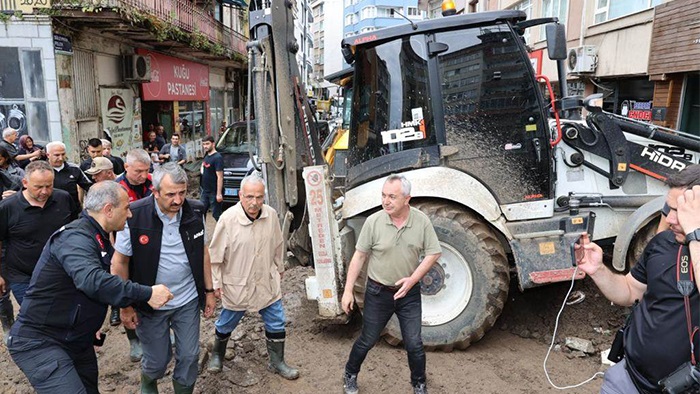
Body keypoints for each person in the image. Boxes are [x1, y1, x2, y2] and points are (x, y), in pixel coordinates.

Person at [7, 181, 174, 394]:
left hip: (77, 339)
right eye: (126, 208)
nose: (130, 215)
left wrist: (87, 321)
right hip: (42, 342)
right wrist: (147, 293)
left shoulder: (98, 237)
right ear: (108, 210)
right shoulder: (75, 238)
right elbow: (92, 280)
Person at [573, 164, 700, 393]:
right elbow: (631, 291)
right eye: (668, 208)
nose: (669, 219)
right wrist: (598, 270)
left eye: (680, 212)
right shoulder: (664, 243)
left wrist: (695, 235)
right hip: (627, 380)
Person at [111, 162, 216, 394]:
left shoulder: (196, 211)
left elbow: (203, 252)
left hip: (187, 299)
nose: (178, 201)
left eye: (182, 193)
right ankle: (148, 381)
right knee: (158, 361)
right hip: (149, 302)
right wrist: (125, 305)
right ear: (155, 191)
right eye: (170, 194)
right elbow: (120, 262)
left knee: (189, 356)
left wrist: (209, 291)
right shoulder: (134, 215)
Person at [341, 174, 441, 394]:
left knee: (414, 343)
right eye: (383, 195)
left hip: (409, 293)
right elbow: (359, 257)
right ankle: (350, 373)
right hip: (378, 293)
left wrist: (412, 279)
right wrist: (348, 291)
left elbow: (434, 252)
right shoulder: (374, 221)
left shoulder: (421, 221)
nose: (386, 201)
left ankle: (419, 384)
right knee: (368, 339)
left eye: (392, 197)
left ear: (407, 199)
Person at [207, 172, 299, 379]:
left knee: (276, 320)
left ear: (264, 196)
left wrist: (279, 267)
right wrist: (216, 283)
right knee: (227, 322)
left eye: (259, 197)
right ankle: (217, 354)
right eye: (249, 197)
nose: (254, 202)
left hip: (265, 280)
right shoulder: (228, 220)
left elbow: (277, 244)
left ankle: (277, 362)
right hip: (237, 282)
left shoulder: (271, 215)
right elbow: (215, 257)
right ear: (240, 195)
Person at [0, 161, 76, 342]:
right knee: (37, 316)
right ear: (25, 183)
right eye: (38, 187)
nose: (44, 191)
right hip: (23, 275)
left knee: (64, 312)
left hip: (61, 271)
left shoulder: (64, 199)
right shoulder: (7, 208)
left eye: (48, 186)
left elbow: (75, 229)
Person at [113, 148, 153, 361]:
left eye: (146, 170)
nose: (143, 175)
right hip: (121, 245)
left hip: (148, 244)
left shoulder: (153, 183)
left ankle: (158, 331)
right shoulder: (115, 189)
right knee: (125, 291)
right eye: (138, 171)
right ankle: (133, 339)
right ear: (126, 167)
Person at [46, 141, 91, 216]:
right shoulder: (41, 170)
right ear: (48, 155)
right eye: (56, 155)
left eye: (63, 154)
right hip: (50, 213)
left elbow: (89, 187)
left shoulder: (74, 169)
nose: (60, 158)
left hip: (73, 213)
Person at [200, 135, 224, 221]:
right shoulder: (207, 156)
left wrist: (218, 194)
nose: (205, 146)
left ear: (213, 144)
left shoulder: (217, 158)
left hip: (214, 192)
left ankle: (225, 232)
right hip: (205, 191)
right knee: (201, 213)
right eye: (203, 144)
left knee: (216, 215)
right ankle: (202, 233)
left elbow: (220, 177)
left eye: (207, 144)